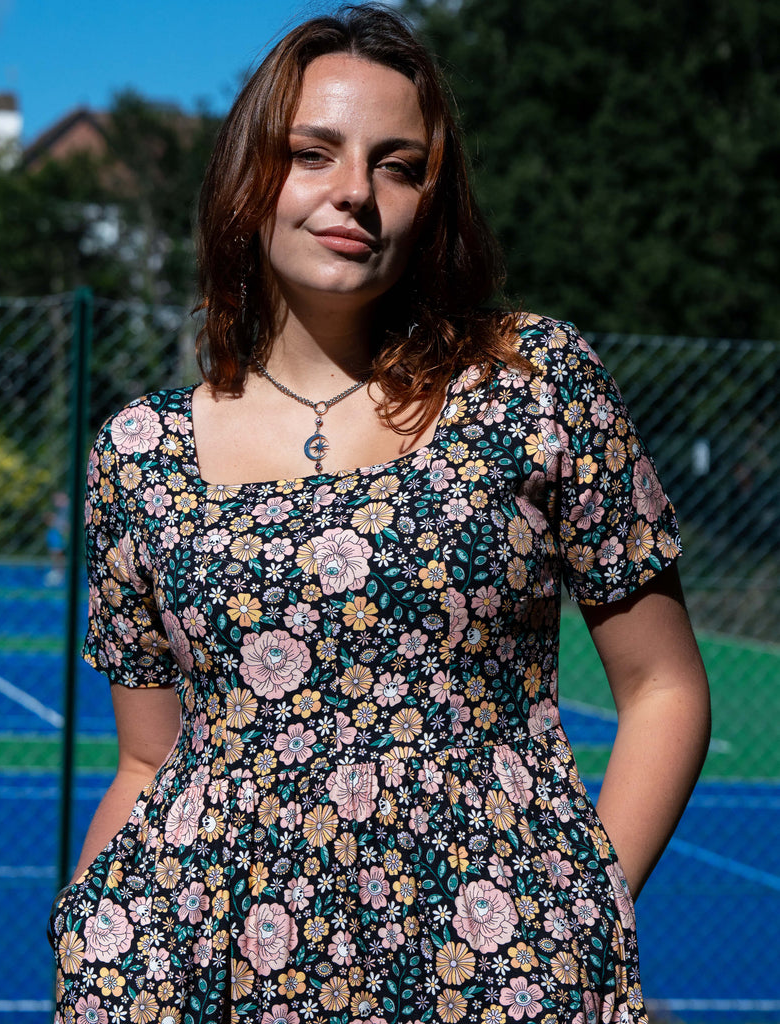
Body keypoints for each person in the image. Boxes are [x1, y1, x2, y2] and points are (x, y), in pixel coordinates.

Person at [48, 6, 711, 1023]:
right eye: (311, 152)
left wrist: (576, 912)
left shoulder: (531, 387)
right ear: (247, 178)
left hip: (487, 975)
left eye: (397, 165)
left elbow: (663, 686)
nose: (354, 190)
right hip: (189, 979)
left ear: (430, 202)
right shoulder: (138, 455)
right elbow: (146, 760)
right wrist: (88, 940)